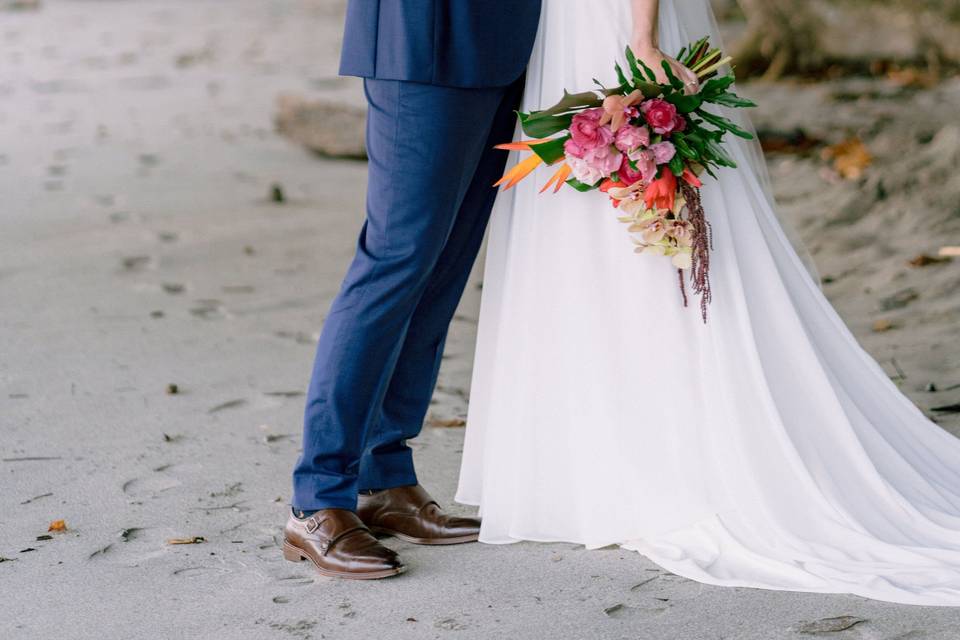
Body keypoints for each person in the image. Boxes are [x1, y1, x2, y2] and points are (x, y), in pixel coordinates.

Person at [456, 0, 960, 606]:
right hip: (562, 27)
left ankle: (659, 455)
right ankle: (596, 458)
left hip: (609, 23)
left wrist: (641, 36)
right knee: (592, 213)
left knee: (635, 204)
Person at [285, 0, 542, 579]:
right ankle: (318, 497)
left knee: (444, 267)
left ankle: (384, 475)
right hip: (423, 38)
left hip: (506, 44)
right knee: (395, 262)